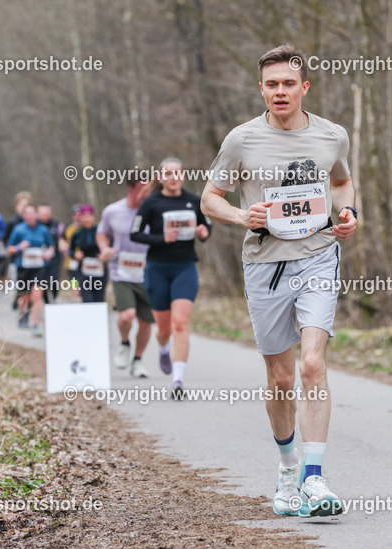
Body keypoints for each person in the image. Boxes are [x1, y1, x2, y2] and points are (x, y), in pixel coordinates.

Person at [202, 44, 358, 518]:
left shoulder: (332, 135)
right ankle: (288, 467)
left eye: (289, 83)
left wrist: (348, 213)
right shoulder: (242, 140)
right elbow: (210, 197)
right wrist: (238, 215)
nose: (280, 91)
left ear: (304, 87)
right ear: (262, 89)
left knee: (312, 364)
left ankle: (315, 479)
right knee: (281, 376)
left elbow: (340, 183)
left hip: (317, 257)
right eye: (271, 84)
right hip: (265, 264)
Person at [130, 158, 211, 398]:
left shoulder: (194, 201)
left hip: (185, 267)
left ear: (183, 176)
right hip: (157, 269)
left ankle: (177, 380)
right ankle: (163, 348)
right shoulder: (151, 202)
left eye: (177, 173)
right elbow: (135, 233)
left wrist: (203, 233)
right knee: (164, 329)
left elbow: (206, 227)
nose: (173, 177)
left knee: (180, 324)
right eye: (168, 173)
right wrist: (161, 238)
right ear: (161, 177)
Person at [97, 178, 154, 378]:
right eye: (141, 190)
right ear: (130, 188)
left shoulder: (154, 210)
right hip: (121, 271)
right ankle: (124, 342)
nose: (146, 194)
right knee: (126, 315)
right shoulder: (113, 211)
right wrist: (104, 248)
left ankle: (137, 360)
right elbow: (102, 233)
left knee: (146, 322)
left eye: (149, 190)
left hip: (149, 272)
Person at [6, 204, 54, 338]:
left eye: (33, 213)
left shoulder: (43, 230)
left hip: (39, 267)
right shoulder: (18, 229)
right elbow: (9, 248)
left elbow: (51, 247)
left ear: (36, 215)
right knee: (24, 297)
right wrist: (19, 247)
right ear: (24, 216)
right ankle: (23, 315)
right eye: (27, 214)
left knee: (37, 296)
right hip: (23, 267)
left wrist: (49, 253)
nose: (30, 216)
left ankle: (35, 325)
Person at [69, 205, 106, 303]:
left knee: (99, 300)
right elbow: (70, 251)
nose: (87, 218)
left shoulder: (100, 232)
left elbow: (108, 246)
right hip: (84, 271)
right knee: (87, 300)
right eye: (84, 215)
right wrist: (75, 255)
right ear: (80, 217)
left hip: (99, 270)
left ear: (93, 217)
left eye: (89, 215)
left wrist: (103, 254)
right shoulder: (77, 234)